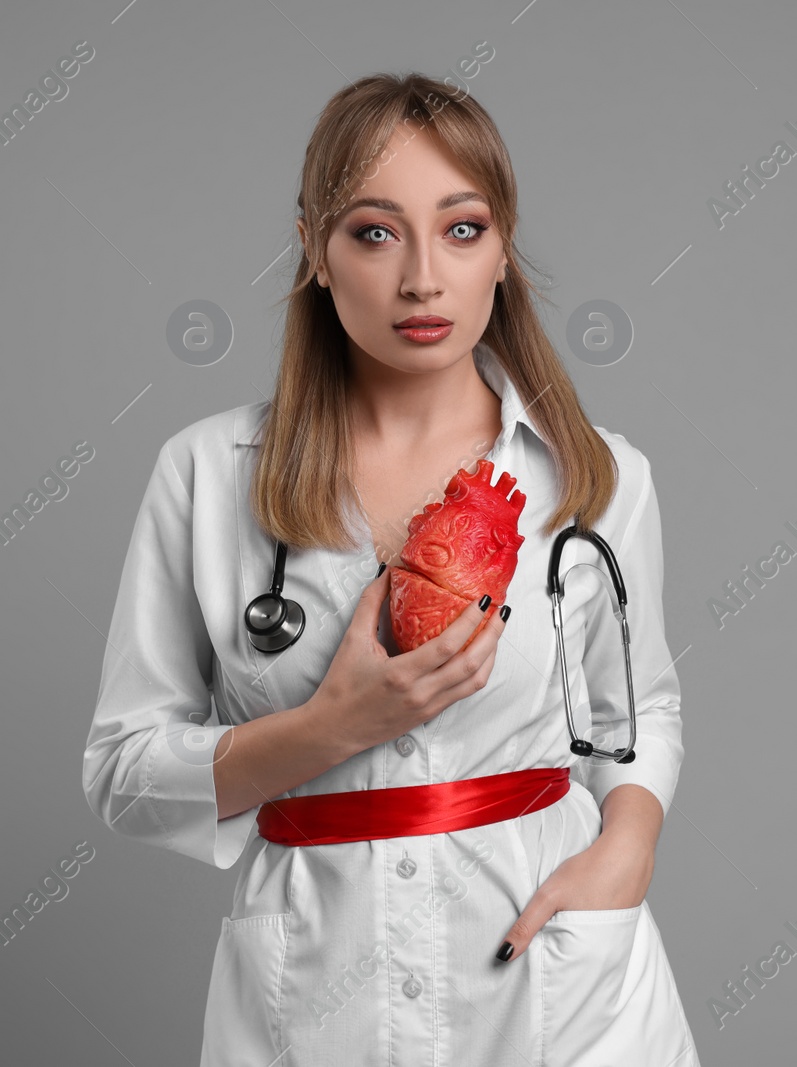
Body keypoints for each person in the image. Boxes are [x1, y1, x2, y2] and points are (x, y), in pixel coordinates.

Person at [80, 73, 700, 1066]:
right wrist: (331, 729)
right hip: (313, 992)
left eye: (462, 229)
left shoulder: (598, 475)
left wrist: (627, 846)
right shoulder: (203, 475)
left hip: (554, 984)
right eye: (375, 232)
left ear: (502, 249)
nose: (422, 278)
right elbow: (123, 774)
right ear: (313, 250)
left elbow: (638, 716)